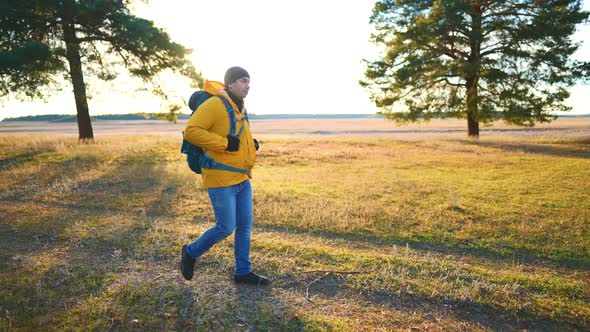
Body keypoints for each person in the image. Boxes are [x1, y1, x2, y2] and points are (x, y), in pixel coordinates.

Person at [180, 66, 270, 286]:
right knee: (225, 227)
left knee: (244, 228)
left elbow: (235, 136)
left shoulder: (240, 107)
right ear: (229, 84)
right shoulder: (215, 104)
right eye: (242, 81)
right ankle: (190, 252)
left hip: (242, 178)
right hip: (220, 178)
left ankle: (243, 272)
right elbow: (191, 131)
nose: (247, 86)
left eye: (249, 82)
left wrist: (251, 145)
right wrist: (223, 144)